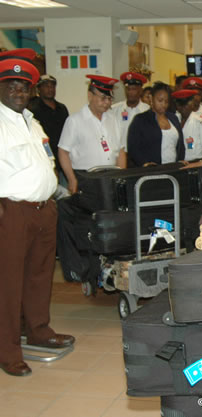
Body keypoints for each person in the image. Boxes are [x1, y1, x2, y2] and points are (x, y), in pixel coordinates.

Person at [0, 48, 75, 378]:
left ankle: (39, 330)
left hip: (44, 211)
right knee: (8, 284)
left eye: (23, 86)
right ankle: (7, 350)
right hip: (12, 212)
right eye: (12, 85)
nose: (19, 92)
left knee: (40, 277)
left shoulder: (32, 121)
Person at [58, 74, 125, 194]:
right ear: (90, 96)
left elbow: (120, 151)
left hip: (111, 176)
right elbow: (63, 152)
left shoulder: (113, 118)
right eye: (103, 98)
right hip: (86, 178)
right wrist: (71, 179)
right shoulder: (75, 121)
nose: (107, 103)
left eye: (109, 99)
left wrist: (121, 177)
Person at [127, 81, 185, 167]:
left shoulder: (173, 118)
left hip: (173, 168)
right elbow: (133, 147)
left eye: (166, 101)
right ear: (151, 98)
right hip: (151, 170)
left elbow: (180, 145)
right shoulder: (141, 119)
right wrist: (145, 163)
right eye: (160, 100)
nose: (164, 105)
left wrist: (180, 161)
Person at [27, 74, 69, 176]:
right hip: (44, 158)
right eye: (46, 86)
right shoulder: (32, 109)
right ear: (39, 89)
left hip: (63, 158)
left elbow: (68, 133)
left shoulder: (62, 108)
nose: (50, 89)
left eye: (52, 86)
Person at [110, 71, 150, 148]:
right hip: (120, 154)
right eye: (128, 89)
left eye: (133, 89)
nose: (130, 92)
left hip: (141, 156)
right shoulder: (114, 110)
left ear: (141, 90)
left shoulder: (148, 111)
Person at [172, 89, 202, 162]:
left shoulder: (200, 121)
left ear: (192, 104)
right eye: (180, 106)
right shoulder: (174, 120)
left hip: (195, 162)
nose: (183, 109)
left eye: (186, 105)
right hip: (178, 162)